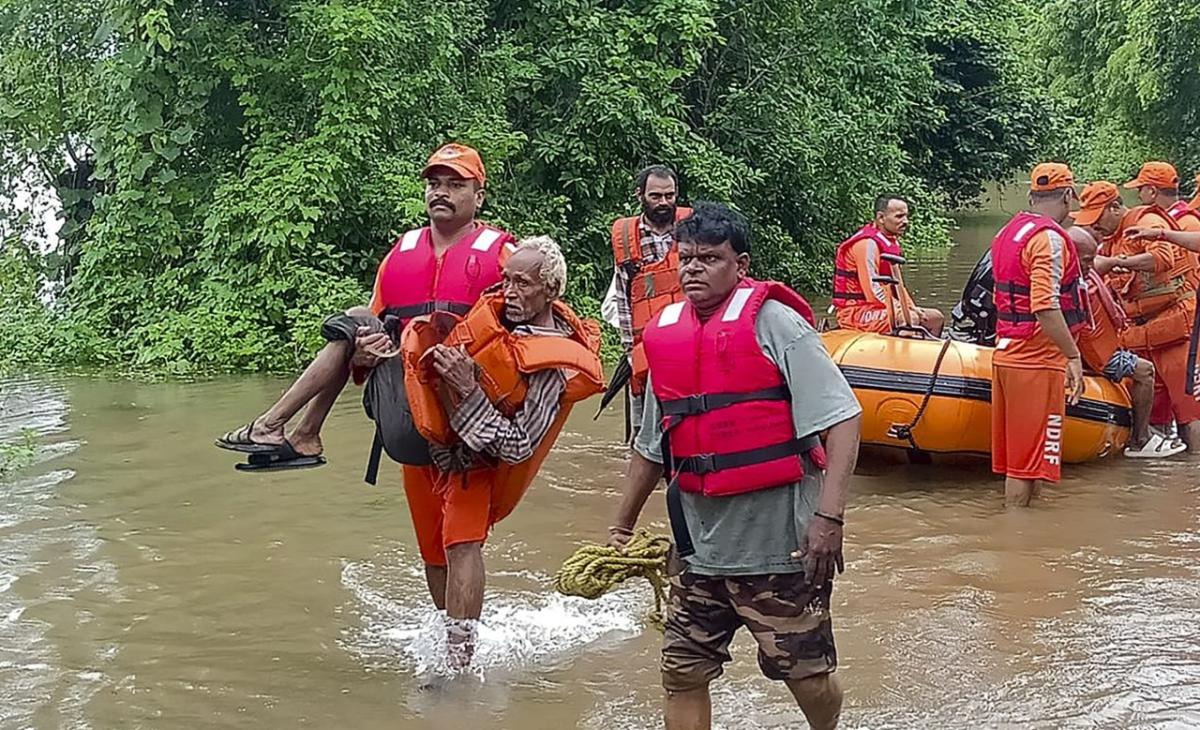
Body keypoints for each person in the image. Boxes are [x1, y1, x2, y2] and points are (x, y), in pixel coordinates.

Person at [607, 202, 862, 730]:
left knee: (808, 678)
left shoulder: (777, 325)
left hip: (782, 550)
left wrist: (829, 519)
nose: (693, 268)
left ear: (740, 265)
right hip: (698, 551)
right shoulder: (667, 334)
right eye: (687, 258)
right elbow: (652, 445)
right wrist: (621, 526)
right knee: (681, 674)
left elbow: (843, 419)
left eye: (710, 258)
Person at [214, 143, 515, 470]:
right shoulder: (400, 254)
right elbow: (364, 348)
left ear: (479, 197)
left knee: (357, 317)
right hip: (407, 410)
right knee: (357, 320)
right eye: (434, 184)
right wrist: (361, 357)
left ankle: (285, 429)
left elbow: (532, 336)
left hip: (469, 414)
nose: (441, 192)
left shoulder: (506, 256)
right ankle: (295, 432)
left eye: (456, 185)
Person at [403, 235, 604, 668]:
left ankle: (459, 663)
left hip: (480, 464)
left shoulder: (552, 363)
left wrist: (468, 389)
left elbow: (519, 445)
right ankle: (448, 638)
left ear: (551, 290)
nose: (510, 292)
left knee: (461, 548)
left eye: (524, 284)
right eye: (507, 280)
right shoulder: (492, 313)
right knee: (433, 554)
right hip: (437, 452)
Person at [990, 163, 1088, 508]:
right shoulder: (1048, 240)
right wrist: (1073, 355)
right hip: (1037, 361)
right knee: (1025, 466)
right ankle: (1021, 547)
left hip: (1007, 354)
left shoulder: (1008, 233)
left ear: (1032, 195)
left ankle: (1025, 538)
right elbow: (1045, 306)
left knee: (1025, 465)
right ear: (1067, 195)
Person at [1096, 167, 1200, 451]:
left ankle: (1194, 471)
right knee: (1155, 410)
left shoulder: (1157, 222)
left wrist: (1119, 262)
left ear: (1152, 191)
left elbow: (1163, 259)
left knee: (1189, 409)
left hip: (1177, 328)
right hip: (1144, 333)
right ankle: (1160, 466)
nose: (1138, 193)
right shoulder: (1111, 238)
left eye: (1141, 188)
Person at [1066, 224, 1181, 457]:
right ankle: (1141, 440)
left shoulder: (1076, 275)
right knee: (1144, 370)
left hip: (1099, 346)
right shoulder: (1070, 286)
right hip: (1092, 354)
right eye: (1086, 260)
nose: (1090, 265)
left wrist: (1116, 264)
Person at [603, 165, 693, 439]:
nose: (664, 202)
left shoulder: (694, 229)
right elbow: (622, 297)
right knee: (645, 436)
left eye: (669, 195)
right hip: (647, 350)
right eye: (656, 196)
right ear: (639, 195)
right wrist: (631, 353)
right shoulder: (627, 239)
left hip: (691, 345)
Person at [831, 194, 945, 336]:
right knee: (909, 318)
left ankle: (929, 352)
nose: (906, 221)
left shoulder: (890, 242)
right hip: (855, 312)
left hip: (877, 308)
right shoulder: (866, 245)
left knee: (936, 318)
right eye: (899, 217)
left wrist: (911, 307)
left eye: (906, 216)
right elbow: (872, 292)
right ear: (881, 218)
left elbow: (898, 286)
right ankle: (902, 354)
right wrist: (902, 309)